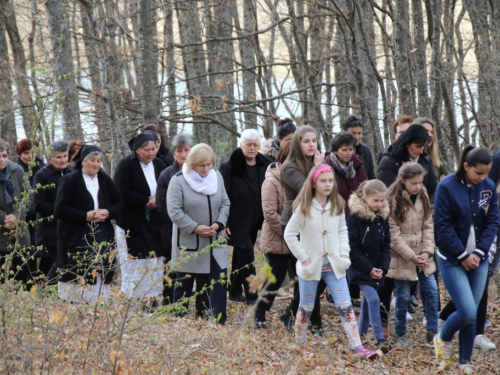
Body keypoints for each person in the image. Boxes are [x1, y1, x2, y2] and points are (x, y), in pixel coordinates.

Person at [284, 165, 377, 358]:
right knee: (306, 307)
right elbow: (289, 234)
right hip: (311, 267)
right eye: (323, 181)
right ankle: (299, 345)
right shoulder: (304, 207)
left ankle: (357, 347)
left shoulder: (337, 206)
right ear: (314, 183)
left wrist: (344, 254)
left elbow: (343, 231)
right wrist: (304, 258)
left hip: (335, 266)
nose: (327, 185)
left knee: (346, 306)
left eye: (330, 181)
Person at [433, 146, 499, 373]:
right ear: (466, 167)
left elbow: (493, 221)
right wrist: (462, 255)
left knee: (472, 313)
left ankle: (465, 361)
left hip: (479, 258)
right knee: (468, 310)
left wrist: (479, 253)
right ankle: (442, 338)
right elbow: (442, 226)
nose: (483, 178)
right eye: (478, 173)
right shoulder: (446, 187)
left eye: (487, 173)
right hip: (452, 258)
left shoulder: (489, 187)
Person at [167, 143, 230, 324]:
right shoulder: (178, 180)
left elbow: (225, 203)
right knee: (184, 286)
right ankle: (178, 321)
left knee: (217, 282)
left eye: (209, 164)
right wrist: (195, 227)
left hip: (214, 241)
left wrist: (218, 224)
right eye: (202, 165)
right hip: (189, 242)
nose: (206, 169)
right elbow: (175, 212)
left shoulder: (216, 176)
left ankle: (217, 321)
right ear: (192, 162)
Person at [54, 145, 123, 304]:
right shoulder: (70, 180)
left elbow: (119, 202)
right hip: (76, 236)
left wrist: (107, 213)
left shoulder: (105, 180)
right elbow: (60, 209)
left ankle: (98, 305)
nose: (96, 164)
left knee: (99, 272)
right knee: (79, 277)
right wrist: (85, 216)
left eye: (99, 161)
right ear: (83, 162)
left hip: (102, 235)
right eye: (92, 160)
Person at [279, 125, 326, 335]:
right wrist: (319, 167)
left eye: (314, 140)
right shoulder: (289, 167)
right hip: (294, 225)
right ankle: (313, 323)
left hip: (314, 224)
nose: (311, 144)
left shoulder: (314, 163)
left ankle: (291, 314)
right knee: (306, 274)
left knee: (314, 275)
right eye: (306, 141)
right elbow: (308, 189)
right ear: (298, 143)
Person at [386, 163, 438, 348]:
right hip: (402, 257)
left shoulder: (423, 195)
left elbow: (428, 226)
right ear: (402, 181)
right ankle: (400, 335)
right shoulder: (393, 200)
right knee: (403, 296)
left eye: (420, 182)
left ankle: (433, 334)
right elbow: (393, 235)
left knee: (432, 291)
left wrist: (426, 251)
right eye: (413, 183)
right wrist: (411, 256)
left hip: (423, 256)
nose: (417, 186)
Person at [114, 132, 167, 307]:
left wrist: (158, 200)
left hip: (155, 222)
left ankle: (153, 297)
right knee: (138, 261)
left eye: (153, 149)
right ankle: (138, 298)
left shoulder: (160, 164)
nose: (151, 153)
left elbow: (167, 187)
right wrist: (146, 201)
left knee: (154, 259)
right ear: (137, 150)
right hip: (133, 223)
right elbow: (121, 192)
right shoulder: (126, 165)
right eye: (147, 150)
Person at [220, 129, 271, 304]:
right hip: (237, 219)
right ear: (241, 145)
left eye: (255, 145)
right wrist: (224, 222)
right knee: (247, 254)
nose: (252, 148)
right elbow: (223, 195)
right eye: (248, 144)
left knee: (240, 254)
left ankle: (234, 290)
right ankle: (253, 295)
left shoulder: (266, 164)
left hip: (257, 218)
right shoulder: (229, 166)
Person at [347, 180, 390, 353]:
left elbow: (387, 245)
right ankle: (380, 339)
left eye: (382, 201)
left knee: (367, 304)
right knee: (373, 299)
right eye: (375, 201)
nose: (379, 205)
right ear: (365, 198)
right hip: (360, 268)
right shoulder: (354, 218)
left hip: (378, 268)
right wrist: (368, 269)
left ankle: (360, 335)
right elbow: (353, 248)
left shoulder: (383, 218)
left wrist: (383, 268)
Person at [254, 141, 293, 328]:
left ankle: (292, 313)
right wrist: (289, 233)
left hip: (298, 237)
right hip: (277, 238)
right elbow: (269, 213)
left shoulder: (301, 179)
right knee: (274, 279)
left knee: (303, 279)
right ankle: (260, 310)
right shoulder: (271, 180)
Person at [156, 133, 194, 304]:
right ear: (174, 153)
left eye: (186, 150)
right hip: (170, 229)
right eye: (179, 151)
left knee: (189, 267)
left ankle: (184, 301)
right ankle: (167, 302)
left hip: (195, 230)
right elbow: (161, 206)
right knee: (171, 267)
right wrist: (180, 221)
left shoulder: (200, 173)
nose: (183, 154)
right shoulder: (166, 175)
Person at [34, 141, 74, 283]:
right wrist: (61, 209)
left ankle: (56, 290)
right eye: (58, 157)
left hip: (69, 226)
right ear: (50, 159)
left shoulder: (72, 172)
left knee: (67, 261)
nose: (63, 160)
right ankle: (46, 288)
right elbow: (39, 204)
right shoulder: (42, 175)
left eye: (65, 156)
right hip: (50, 227)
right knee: (60, 261)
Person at [0, 139, 31, 284]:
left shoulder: (16, 170)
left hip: (19, 228)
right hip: (1, 228)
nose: (1, 160)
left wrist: (17, 216)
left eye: (4, 156)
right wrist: (3, 218)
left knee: (22, 272)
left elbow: (28, 195)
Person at [377, 124, 437, 197]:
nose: (421, 151)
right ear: (407, 143)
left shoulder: (425, 159)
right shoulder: (388, 161)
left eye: (423, 146)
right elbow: (386, 194)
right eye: (417, 147)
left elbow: (432, 191)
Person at [16, 139, 46, 277]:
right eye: (26, 153)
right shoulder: (15, 171)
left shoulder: (44, 169)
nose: (30, 156)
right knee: (26, 259)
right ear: (19, 155)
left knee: (45, 257)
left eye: (33, 152)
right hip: (22, 220)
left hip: (42, 218)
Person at [325, 132, 368, 216]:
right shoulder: (327, 167)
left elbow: (365, 186)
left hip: (358, 212)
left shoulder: (357, 164)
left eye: (350, 149)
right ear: (335, 151)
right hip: (337, 212)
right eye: (344, 150)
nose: (348, 153)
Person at [341, 114, 375, 180]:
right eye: (353, 133)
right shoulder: (335, 152)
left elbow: (371, 177)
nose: (357, 137)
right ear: (344, 132)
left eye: (359, 133)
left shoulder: (366, 151)